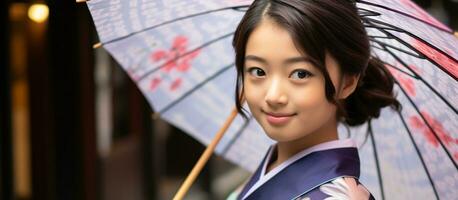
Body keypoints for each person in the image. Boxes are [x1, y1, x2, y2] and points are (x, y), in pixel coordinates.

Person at [228, 0, 401, 199]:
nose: (273, 96)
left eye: (300, 74)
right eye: (258, 71)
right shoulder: (268, 172)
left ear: (347, 83)